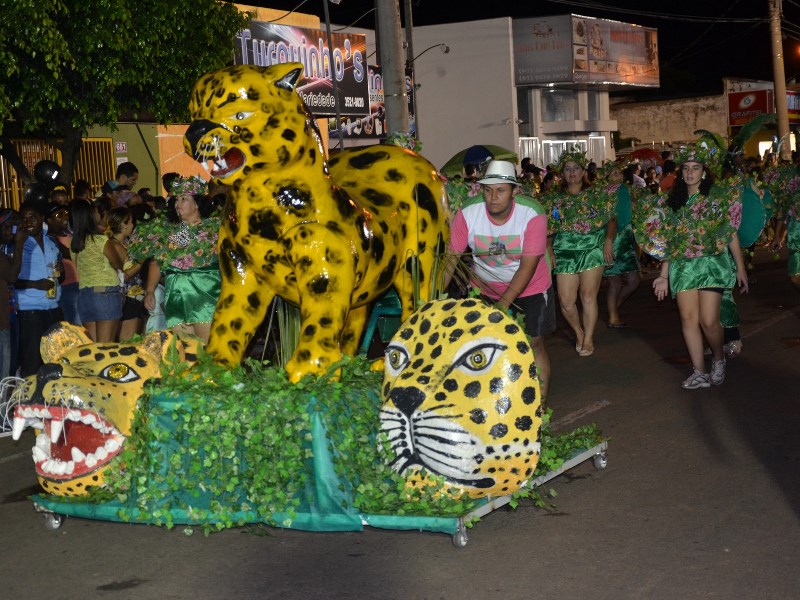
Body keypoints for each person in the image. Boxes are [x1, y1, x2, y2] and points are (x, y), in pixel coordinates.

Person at [444, 160, 555, 401]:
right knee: (482, 344)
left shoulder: (532, 214)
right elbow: (450, 259)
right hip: (483, 288)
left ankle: (541, 404)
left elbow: (528, 266)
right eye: (488, 190)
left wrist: (503, 305)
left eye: (501, 190)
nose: (493, 197)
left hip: (531, 288)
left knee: (533, 342)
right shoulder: (467, 213)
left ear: (514, 191)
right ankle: (493, 398)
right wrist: (435, 298)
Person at [641, 144, 748, 389]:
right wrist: (663, 275)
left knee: (708, 321)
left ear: (704, 171)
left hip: (712, 264)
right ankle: (699, 371)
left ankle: (718, 359)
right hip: (682, 267)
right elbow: (669, 242)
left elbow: (730, 234)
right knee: (688, 319)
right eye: (686, 168)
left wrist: (740, 267)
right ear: (681, 172)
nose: (690, 173)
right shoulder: (673, 202)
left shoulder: (717, 198)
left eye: (695, 168)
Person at [129, 176, 221, 342]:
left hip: (205, 298)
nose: (178, 203)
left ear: (197, 203)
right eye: (177, 199)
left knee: (208, 351)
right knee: (185, 353)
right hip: (177, 299)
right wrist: (150, 291)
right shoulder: (174, 233)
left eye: (184, 198)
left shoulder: (214, 229)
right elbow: (158, 261)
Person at [544, 149, 616, 357]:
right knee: (566, 302)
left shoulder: (597, 194)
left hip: (592, 248)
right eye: (567, 169)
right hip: (564, 250)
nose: (572, 172)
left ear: (584, 171)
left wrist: (608, 241)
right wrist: (549, 248)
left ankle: (589, 338)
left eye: (576, 168)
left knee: (587, 295)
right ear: (562, 173)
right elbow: (549, 226)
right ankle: (578, 331)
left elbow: (611, 220)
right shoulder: (554, 199)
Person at [14, 201, 64, 376]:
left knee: (55, 358)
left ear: (41, 218)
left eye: (32, 218)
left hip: (53, 307)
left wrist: (60, 269)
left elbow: (61, 276)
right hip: (30, 309)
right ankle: (29, 400)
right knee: (32, 360)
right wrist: (36, 284)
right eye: (24, 219)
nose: (28, 223)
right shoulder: (18, 242)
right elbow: (11, 279)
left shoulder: (51, 241)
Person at [71, 199, 125, 342]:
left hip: (85, 296)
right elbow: (118, 264)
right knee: (105, 348)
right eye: (95, 211)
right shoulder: (101, 240)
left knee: (94, 350)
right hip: (105, 294)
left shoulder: (75, 244)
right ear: (90, 215)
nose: (98, 213)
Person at [600, 163, 641, 328]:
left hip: (626, 239)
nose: (616, 175)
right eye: (612, 173)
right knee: (615, 282)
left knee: (634, 280)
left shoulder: (626, 190)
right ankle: (612, 316)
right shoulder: (604, 194)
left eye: (618, 172)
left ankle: (613, 309)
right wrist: (608, 240)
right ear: (606, 178)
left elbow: (630, 211)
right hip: (612, 239)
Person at [105, 207, 145, 341]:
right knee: (127, 343)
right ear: (123, 225)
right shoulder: (113, 245)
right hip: (126, 298)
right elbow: (123, 276)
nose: (133, 225)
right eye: (131, 222)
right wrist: (141, 263)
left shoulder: (126, 243)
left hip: (136, 297)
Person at [46, 202, 80, 326]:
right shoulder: (50, 240)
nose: (65, 217)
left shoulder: (70, 234)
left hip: (78, 285)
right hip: (66, 287)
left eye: (66, 213)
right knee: (74, 326)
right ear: (48, 220)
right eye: (59, 215)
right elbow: (71, 254)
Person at [0, 211, 22, 378]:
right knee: (5, 367)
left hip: (10, 313)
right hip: (2, 321)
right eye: (7, 227)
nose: (12, 232)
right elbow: (12, 276)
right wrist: (20, 243)